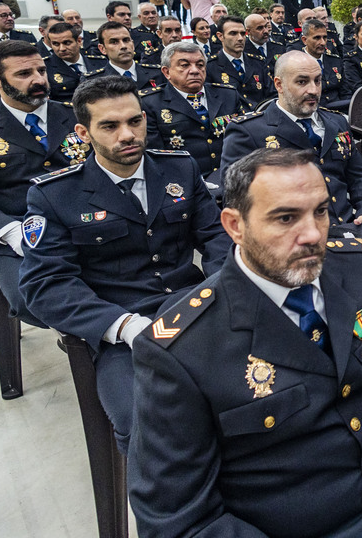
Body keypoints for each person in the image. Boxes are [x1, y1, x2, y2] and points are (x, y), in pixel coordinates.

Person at [128, 148, 362, 538]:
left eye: (321, 212)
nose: (312, 235)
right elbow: (180, 520)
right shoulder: (182, 349)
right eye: (286, 217)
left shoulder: (359, 267)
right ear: (234, 225)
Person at [18, 75, 231, 452]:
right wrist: (124, 326)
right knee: (148, 427)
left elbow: (216, 237)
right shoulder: (55, 195)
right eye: (110, 126)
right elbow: (45, 285)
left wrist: (225, 288)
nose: (127, 134)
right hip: (122, 329)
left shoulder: (179, 168)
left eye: (135, 121)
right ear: (83, 133)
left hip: (196, 305)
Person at [219, 51, 362, 313]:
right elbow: (234, 196)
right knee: (351, 294)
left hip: (357, 227)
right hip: (302, 240)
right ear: (279, 84)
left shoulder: (335, 121)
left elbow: (359, 175)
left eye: (317, 81)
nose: (313, 89)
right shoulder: (250, 131)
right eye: (302, 82)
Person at [0, 40, 88, 319]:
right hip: (21, 230)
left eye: (41, 71)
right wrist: (12, 233)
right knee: (32, 302)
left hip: (88, 221)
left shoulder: (76, 116)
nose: (38, 80)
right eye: (23, 74)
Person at [141, 41, 245, 180]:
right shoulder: (151, 103)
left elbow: (242, 142)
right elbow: (156, 157)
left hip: (230, 177)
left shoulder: (228, 95)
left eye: (200, 65)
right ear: (166, 72)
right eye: (184, 65)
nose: (195, 70)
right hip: (184, 181)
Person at [205, 16, 273, 106]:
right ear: (220, 36)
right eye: (233, 33)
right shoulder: (210, 66)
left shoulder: (258, 62)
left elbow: (272, 94)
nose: (240, 38)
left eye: (243, 33)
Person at [294, 17, 351, 109]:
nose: (322, 42)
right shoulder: (297, 64)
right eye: (317, 38)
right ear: (304, 40)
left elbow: (345, 91)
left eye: (325, 37)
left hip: (340, 109)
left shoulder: (334, 60)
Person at [43, 21, 106, 103]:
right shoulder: (45, 68)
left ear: (79, 41)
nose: (62, 48)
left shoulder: (100, 62)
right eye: (56, 44)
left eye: (67, 43)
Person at [96, 21, 160, 89]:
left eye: (126, 40)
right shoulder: (95, 81)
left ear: (133, 45)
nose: (123, 46)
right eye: (114, 42)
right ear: (102, 49)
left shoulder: (157, 73)